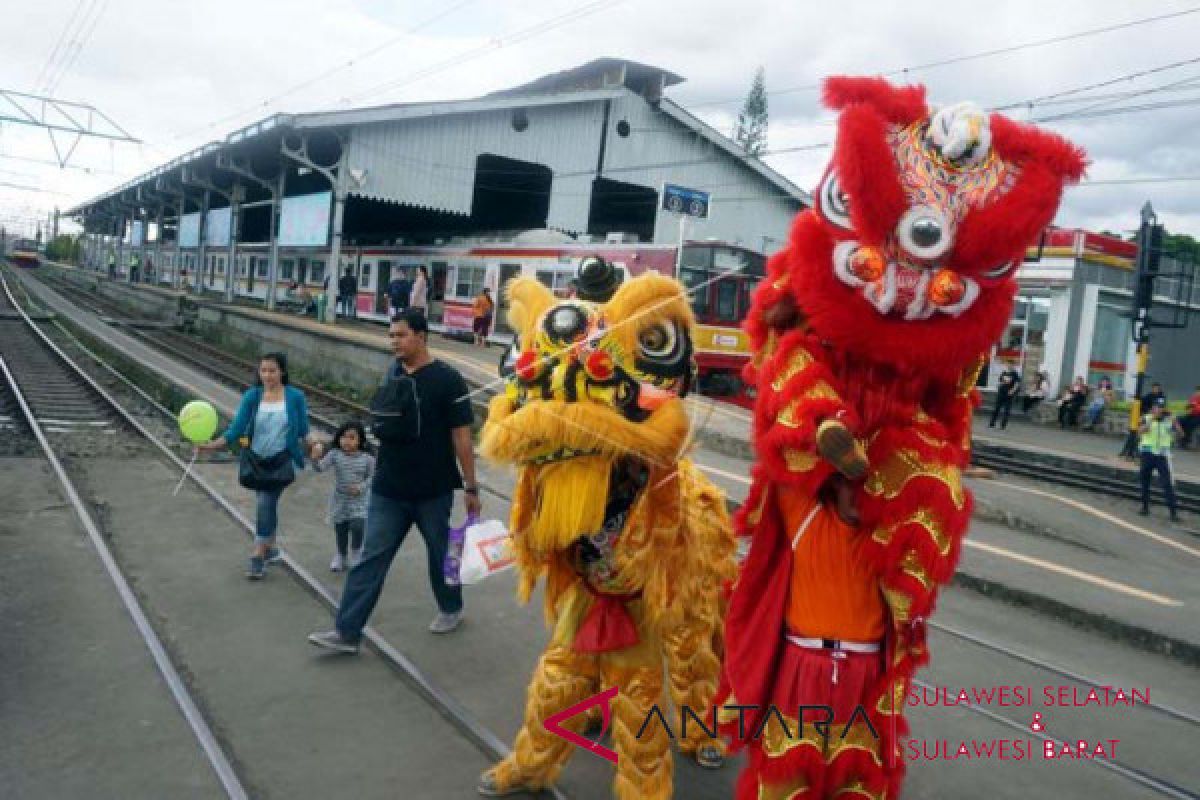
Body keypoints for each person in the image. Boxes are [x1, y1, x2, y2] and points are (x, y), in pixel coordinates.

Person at [308, 309, 481, 653]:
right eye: (391, 336)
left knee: (439, 554)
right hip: (389, 487)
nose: (394, 342)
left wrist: (471, 486)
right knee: (371, 558)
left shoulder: (448, 380)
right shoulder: (392, 374)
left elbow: (462, 437)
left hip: (432, 489)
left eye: (400, 335)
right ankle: (347, 633)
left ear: (421, 336)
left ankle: (451, 606)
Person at [197, 353, 319, 578]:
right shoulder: (252, 397)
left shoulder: (295, 397)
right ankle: (270, 548)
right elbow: (237, 428)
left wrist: (314, 444)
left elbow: (303, 429)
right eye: (263, 371)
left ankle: (258, 554)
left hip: (283, 459)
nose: (268, 375)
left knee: (265, 501)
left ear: (282, 371)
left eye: (272, 370)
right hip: (256, 459)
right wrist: (213, 445)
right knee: (267, 504)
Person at [312, 420, 374, 572]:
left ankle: (356, 552)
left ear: (360, 440)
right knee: (341, 528)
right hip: (340, 499)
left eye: (352, 438)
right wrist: (315, 457)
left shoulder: (367, 459)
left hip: (359, 500)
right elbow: (320, 468)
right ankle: (341, 555)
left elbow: (373, 477)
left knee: (358, 526)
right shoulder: (335, 455)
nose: (346, 441)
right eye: (343, 437)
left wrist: (360, 487)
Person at [1137, 398, 1182, 522]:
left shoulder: (1168, 421)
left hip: (1162, 456)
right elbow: (1140, 432)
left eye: (1161, 407)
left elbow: (1181, 435)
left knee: (1167, 484)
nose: (1159, 409)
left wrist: (1175, 423)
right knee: (1145, 481)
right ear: (1152, 408)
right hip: (1147, 454)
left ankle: (1173, 512)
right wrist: (1151, 420)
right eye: (1157, 407)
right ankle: (1145, 507)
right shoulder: (1145, 418)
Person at [989, 360, 1021, 429]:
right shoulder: (1004, 372)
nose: (1009, 366)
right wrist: (1001, 384)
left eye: (1011, 364)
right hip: (1001, 392)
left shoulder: (1015, 374)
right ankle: (992, 423)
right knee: (996, 408)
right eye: (1008, 364)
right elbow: (1000, 381)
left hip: (1009, 394)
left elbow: (1017, 384)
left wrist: (1012, 391)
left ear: (1013, 365)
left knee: (1006, 410)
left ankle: (1003, 425)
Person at [1180, 385, 1200, 449]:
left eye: (1199, 391)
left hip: (1198, 416)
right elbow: (1187, 407)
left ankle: (1186, 440)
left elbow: (1197, 408)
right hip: (1191, 414)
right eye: (1197, 391)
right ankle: (1182, 439)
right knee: (1181, 420)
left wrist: (1195, 406)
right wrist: (1188, 407)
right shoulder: (1193, 398)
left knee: (1190, 424)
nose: (1197, 393)